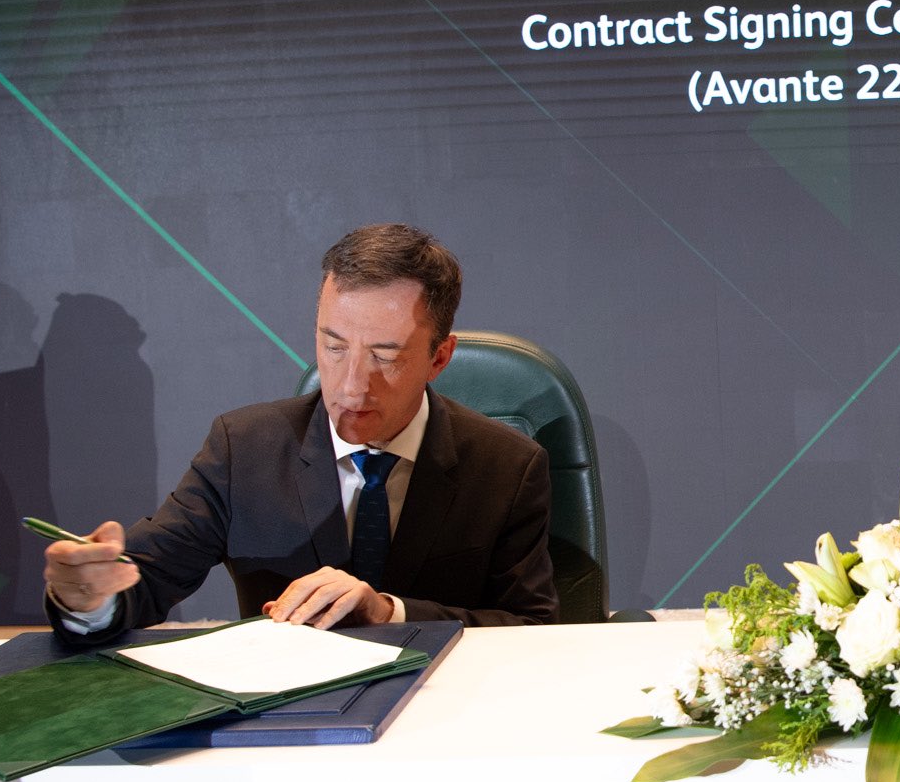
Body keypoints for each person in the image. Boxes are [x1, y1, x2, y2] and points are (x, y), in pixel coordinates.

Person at [44, 224, 557, 637]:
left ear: (439, 357)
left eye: (384, 356)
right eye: (334, 346)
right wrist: (88, 597)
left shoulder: (507, 467)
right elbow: (145, 576)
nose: (352, 385)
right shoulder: (243, 449)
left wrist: (390, 613)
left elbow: (535, 629)